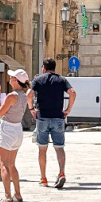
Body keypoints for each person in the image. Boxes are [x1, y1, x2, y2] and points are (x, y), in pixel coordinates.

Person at [30, 57, 75, 189]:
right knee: (59, 147)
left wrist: (32, 109)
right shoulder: (61, 80)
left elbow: (29, 93)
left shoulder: (38, 79)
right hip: (58, 117)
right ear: (55, 68)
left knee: (42, 148)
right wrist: (68, 109)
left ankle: (43, 178)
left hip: (43, 117)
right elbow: (72, 92)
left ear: (43, 67)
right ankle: (61, 173)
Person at [0, 68, 31, 202]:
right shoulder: (24, 95)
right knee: (12, 164)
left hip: (7, 129)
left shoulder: (12, 96)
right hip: (17, 129)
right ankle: (17, 193)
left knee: (3, 164)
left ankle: (7, 195)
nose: (10, 79)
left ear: (16, 81)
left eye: (12, 77)